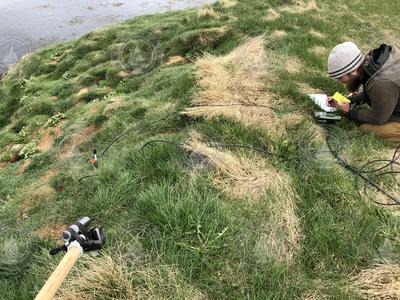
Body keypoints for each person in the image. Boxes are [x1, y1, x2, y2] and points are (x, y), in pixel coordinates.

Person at [327, 41, 400, 142]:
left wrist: (350, 112)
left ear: (353, 71)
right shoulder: (372, 62)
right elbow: (370, 91)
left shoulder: (381, 82)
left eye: (340, 78)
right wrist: (350, 100)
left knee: (365, 128)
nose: (339, 82)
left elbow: (378, 118)